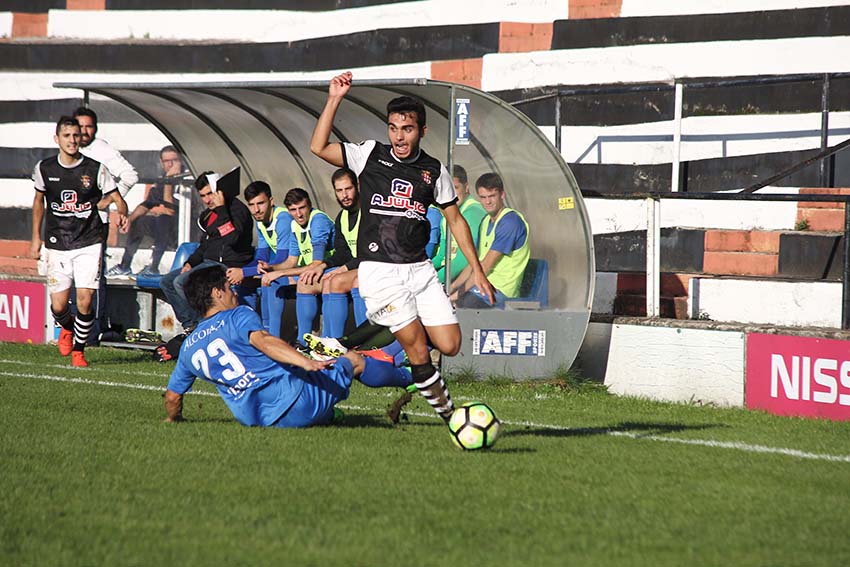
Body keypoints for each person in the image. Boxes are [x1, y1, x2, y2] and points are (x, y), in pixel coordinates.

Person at [309, 71, 495, 423]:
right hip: (381, 272)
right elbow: (318, 147)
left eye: (406, 129)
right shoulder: (369, 155)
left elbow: (455, 220)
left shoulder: (433, 171)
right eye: (393, 128)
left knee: (451, 344)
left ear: (422, 131)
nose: (398, 136)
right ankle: (453, 419)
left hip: (420, 271)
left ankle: (389, 361)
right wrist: (334, 98)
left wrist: (478, 271)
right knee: (417, 347)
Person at [163, 265, 414, 428]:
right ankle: (410, 377)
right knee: (354, 360)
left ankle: (328, 416)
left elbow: (173, 397)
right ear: (217, 293)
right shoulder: (237, 315)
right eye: (230, 289)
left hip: (262, 421)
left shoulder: (188, 347)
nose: (235, 294)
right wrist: (306, 361)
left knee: (310, 387)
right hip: (299, 403)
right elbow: (263, 341)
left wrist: (174, 419)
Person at [29, 115, 128, 367]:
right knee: (59, 306)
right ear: (57, 139)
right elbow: (39, 202)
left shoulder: (95, 168)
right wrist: (35, 238)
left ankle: (79, 350)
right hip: (57, 242)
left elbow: (117, 197)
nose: (73, 140)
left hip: (89, 241)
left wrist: (122, 213)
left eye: (76, 136)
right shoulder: (45, 168)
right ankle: (67, 328)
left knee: (85, 300)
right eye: (67, 136)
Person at [160, 171, 254, 334]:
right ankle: (190, 325)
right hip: (208, 262)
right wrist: (190, 262)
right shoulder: (209, 215)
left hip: (227, 264)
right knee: (167, 281)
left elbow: (232, 239)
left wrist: (222, 210)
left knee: (180, 282)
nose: (207, 200)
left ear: (220, 191)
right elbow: (205, 245)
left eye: (210, 193)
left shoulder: (237, 210)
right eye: (203, 196)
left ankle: (203, 324)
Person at [74, 106, 139, 339]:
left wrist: (108, 200)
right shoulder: (69, 152)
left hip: (95, 224)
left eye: (88, 126)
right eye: (79, 126)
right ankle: (74, 329)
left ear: (95, 129)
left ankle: (95, 329)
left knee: (93, 276)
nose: (83, 131)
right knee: (73, 276)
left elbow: (130, 174)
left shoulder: (100, 149)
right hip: (70, 224)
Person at [297, 167, 367, 339]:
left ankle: (357, 343)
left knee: (336, 280)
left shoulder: (369, 212)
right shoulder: (342, 217)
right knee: (307, 281)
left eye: (348, 189)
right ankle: (308, 343)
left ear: (357, 186)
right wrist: (323, 266)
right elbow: (343, 252)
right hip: (354, 266)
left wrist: (343, 269)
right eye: (339, 190)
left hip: (373, 265)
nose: (344, 195)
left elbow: (371, 253)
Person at [259, 188, 334, 343]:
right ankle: (273, 339)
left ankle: (307, 340)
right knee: (273, 282)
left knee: (304, 280)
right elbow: (291, 261)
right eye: (293, 210)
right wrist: (271, 269)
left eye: (302, 208)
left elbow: (317, 263)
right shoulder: (295, 225)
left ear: (310, 205)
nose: (298, 214)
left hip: (331, 268)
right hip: (311, 270)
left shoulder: (318, 221)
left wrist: (282, 273)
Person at [450, 173, 530, 308]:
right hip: (483, 285)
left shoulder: (510, 222)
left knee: (464, 302)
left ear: (502, 195)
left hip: (501, 291)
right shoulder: (486, 221)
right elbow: (474, 264)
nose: (487, 202)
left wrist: (456, 295)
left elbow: (486, 266)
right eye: (483, 197)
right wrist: (452, 287)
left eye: (492, 196)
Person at [224, 181, 293, 335]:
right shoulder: (260, 221)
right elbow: (262, 255)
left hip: (295, 268)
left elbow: (281, 260)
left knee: (268, 280)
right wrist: (243, 272)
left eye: (261, 203)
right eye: (251, 205)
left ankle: (271, 336)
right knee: (243, 283)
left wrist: (245, 271)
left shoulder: (283, 220)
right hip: (279, 268)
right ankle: (248, 331)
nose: (256, 210)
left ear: (271, 201)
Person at [106, 145, 183, 277]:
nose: (170, 164)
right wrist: (129, 220)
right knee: (139, 221)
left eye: (174, 160)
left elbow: (169, 210)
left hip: (182, 229)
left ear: (180, 161)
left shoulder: (184, 180)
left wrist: (169, 181)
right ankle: (125, 265)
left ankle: (154, 267)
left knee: (163, 219)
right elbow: (147, 204)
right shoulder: (161, 180)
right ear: (161, 162)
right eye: (166, 161)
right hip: (163, 229)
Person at [432, 164, 487, 284]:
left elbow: (463, 261)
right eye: (447, 188)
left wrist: (433, 281)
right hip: (454, 276)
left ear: (466, 187)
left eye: (455, 187)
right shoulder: (449, 214)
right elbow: (443, 256)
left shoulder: (473, 212)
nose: (451, 193)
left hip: (473, 280)